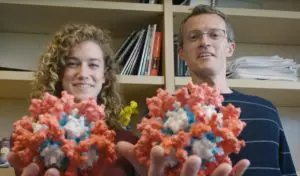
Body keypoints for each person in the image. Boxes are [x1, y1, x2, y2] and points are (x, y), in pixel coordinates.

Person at [175, 4, 295, 176]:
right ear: (182, 53)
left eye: (215, 35)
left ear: (230, 48)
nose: (204, 42)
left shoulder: (266, 111)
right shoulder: (167, 112)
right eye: (194, 37)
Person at [8, 23, 138, 176]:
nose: (83, 73)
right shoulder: (30, 139)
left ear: (105, 75)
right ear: (59, 73)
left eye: (93, 65)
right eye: (72, 64)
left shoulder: (128, 143)